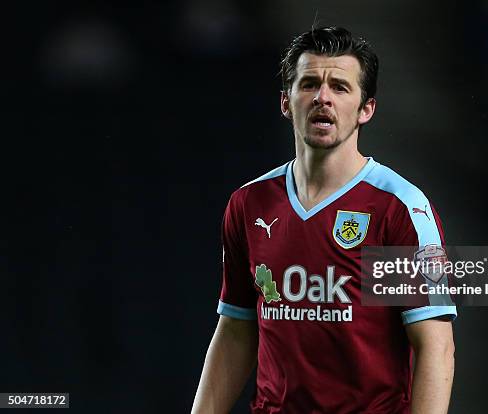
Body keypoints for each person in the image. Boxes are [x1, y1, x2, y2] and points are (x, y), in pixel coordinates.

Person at [191, 26, 456, 414]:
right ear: (286, 102)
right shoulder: (250, 204)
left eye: (341, 88)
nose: (323, 98)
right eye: (310, 83)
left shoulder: (397, 208)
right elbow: (236, 328)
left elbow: (435, 344)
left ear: (366, 109)